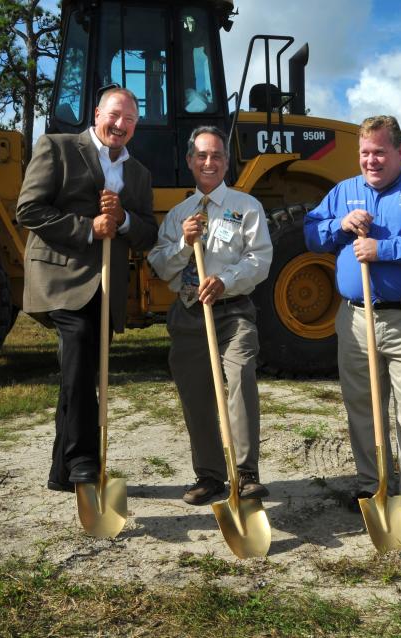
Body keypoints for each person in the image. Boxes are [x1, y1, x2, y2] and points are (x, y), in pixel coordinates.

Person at [304, 115, 401, 535]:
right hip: (356, 318)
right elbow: (311, 234)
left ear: (400, 152)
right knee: (363, 409)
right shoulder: (343, 192)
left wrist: (382, 248)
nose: (371, 161)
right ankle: (373, 485)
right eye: (365, 153)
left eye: (380, 152)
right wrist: (338, 225)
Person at [17, 86, 158, 492]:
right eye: (114, 115)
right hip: (61, 277)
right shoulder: (58, 148)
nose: (121, 125)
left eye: (130, 120)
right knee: (77, 343)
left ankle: (60, 472)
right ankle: (83, 461)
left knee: (80, 369)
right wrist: (89, 229)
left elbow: (146, 232)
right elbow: (28, 210)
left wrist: (125, 220)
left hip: (104, 288)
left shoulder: (139, 173)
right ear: (97, 113)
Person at [147, 126, 273, 505]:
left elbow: (261, 259)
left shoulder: (246, 206)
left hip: (233, 312)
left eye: (216, 155)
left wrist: (226, 279)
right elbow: (160, 266)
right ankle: (210, 475)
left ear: (226, 162)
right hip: (188, 314)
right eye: (201, 155)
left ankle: (246, 474)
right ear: (190, 161)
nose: (209, 162)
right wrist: (185, 245)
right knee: (196, 395)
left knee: (238, 378)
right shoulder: (178, 215)